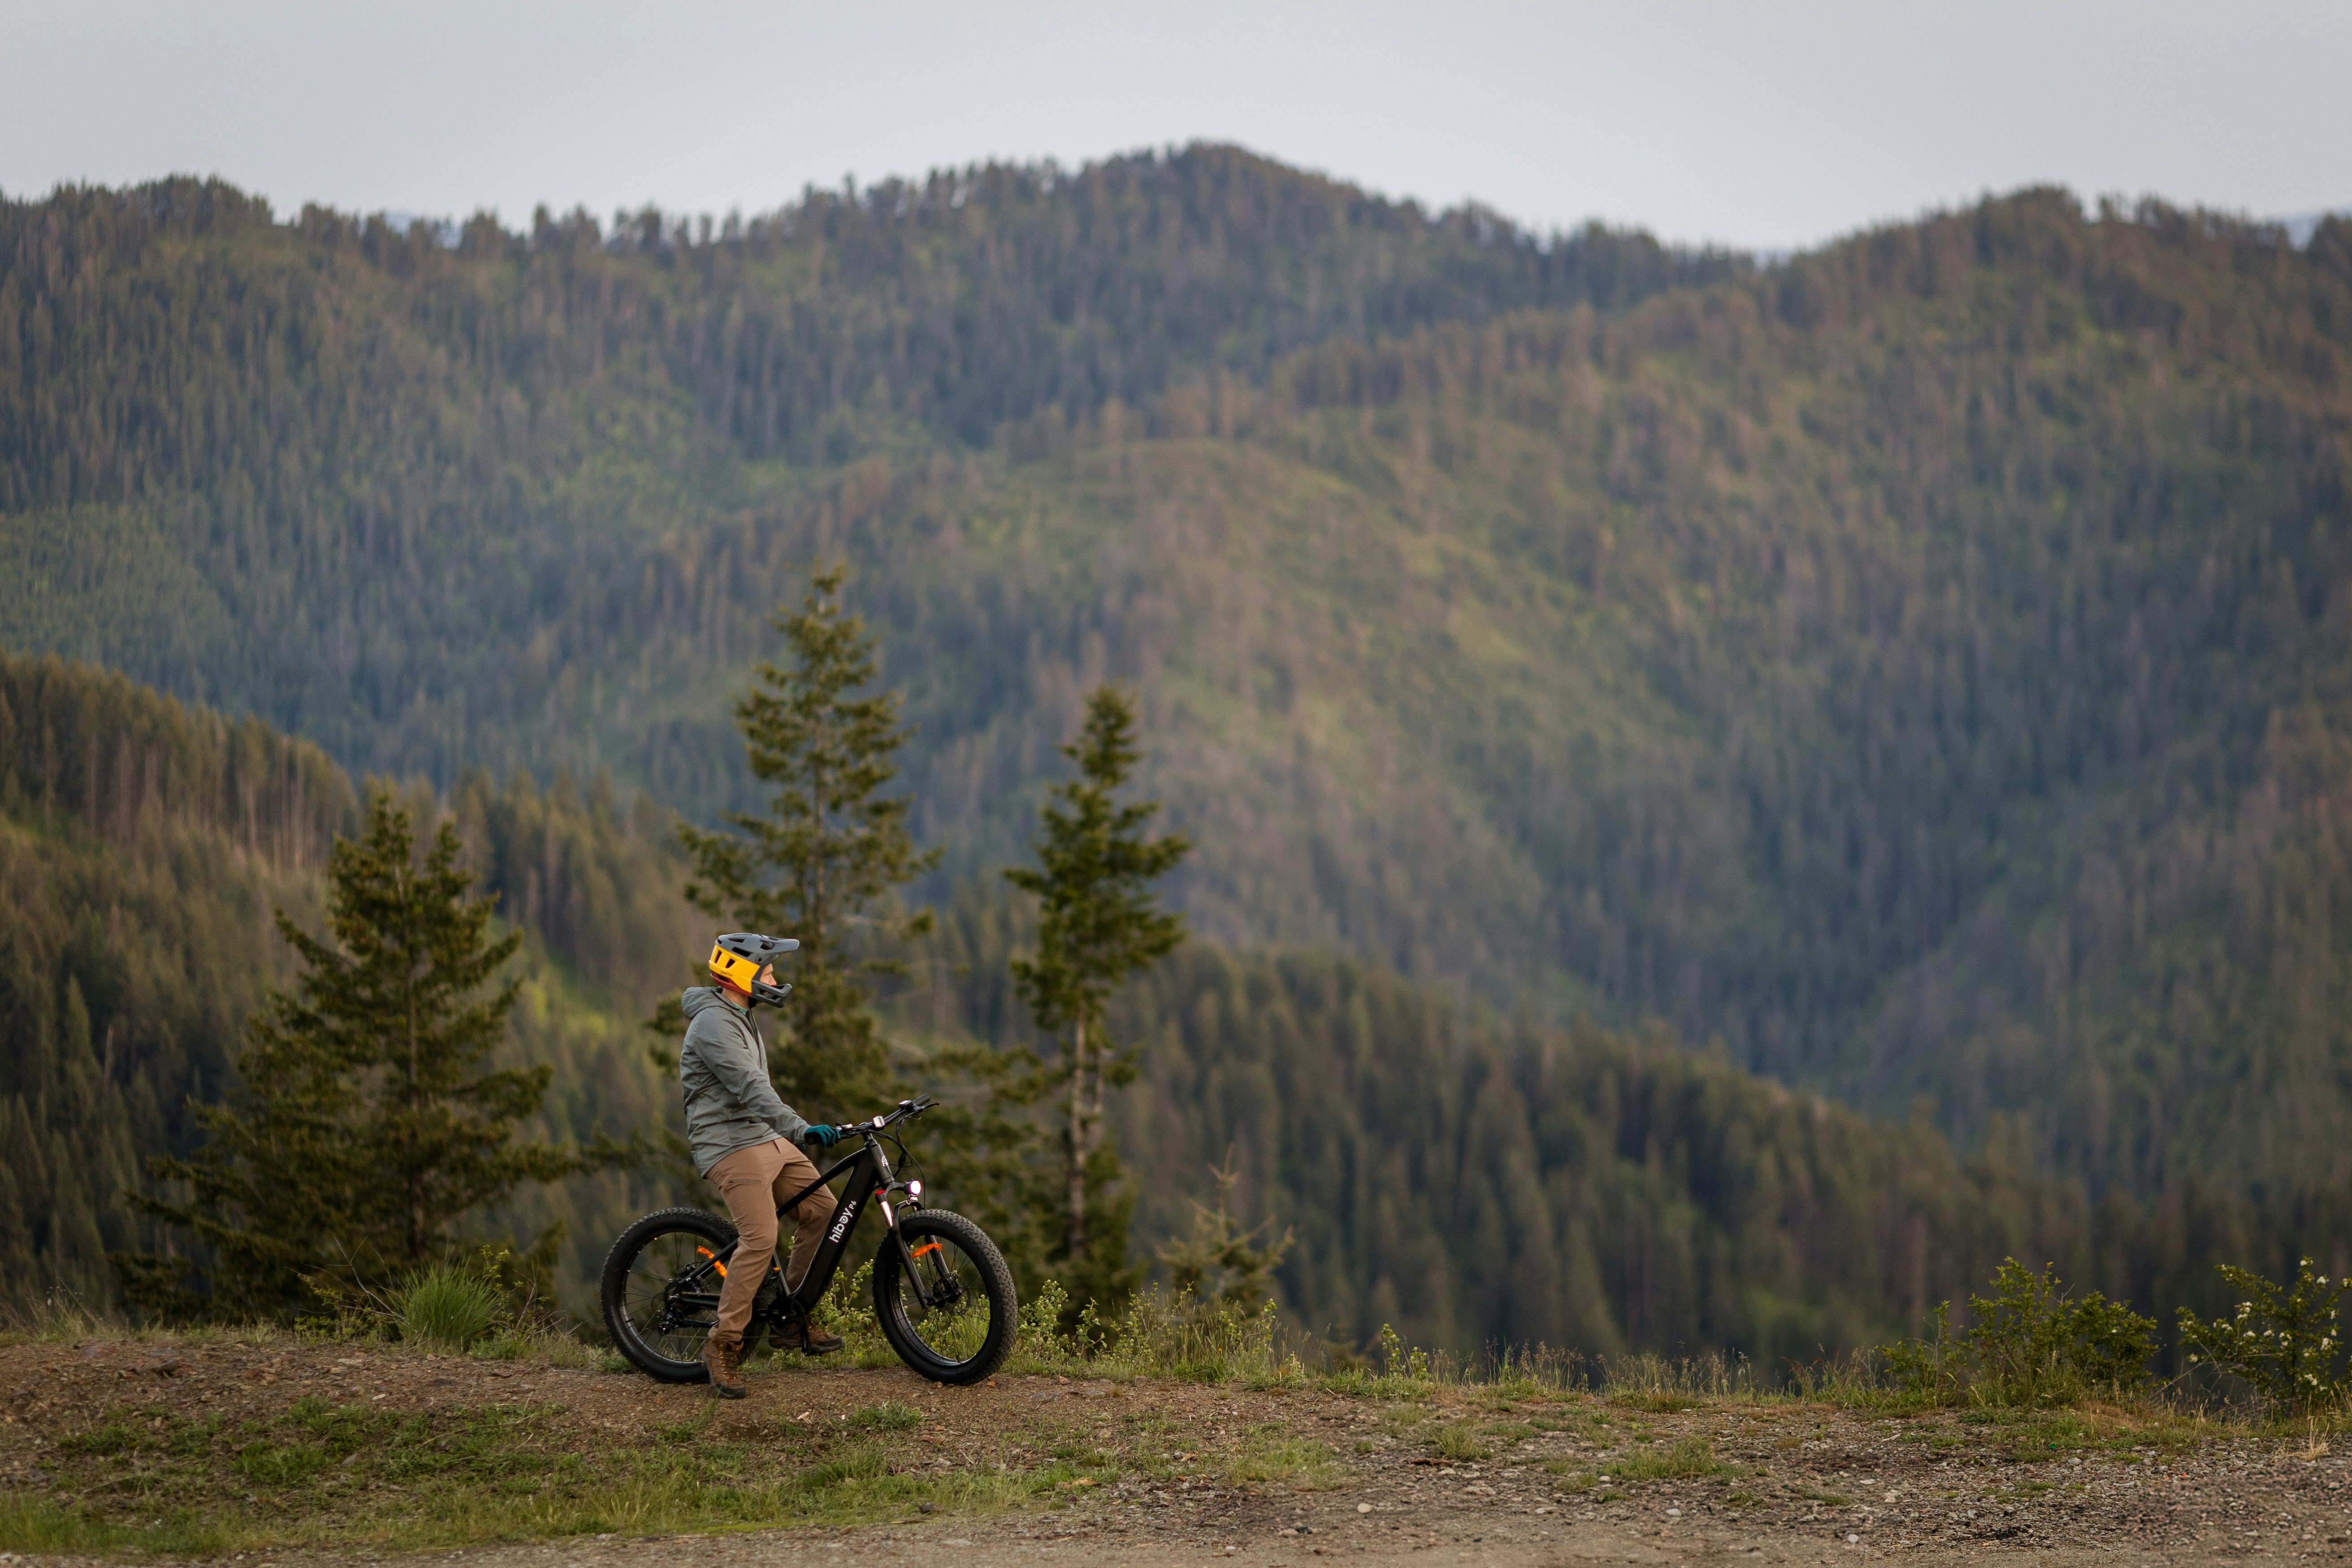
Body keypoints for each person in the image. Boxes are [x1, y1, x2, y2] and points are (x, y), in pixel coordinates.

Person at [679, 931, 845, 1397]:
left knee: (822, 1212)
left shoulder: (741, 1013)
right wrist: (800, 1129)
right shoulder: (713, 1024)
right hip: (728, 1144)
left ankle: (789, 1318)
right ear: (740, 974)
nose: (775, 979)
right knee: (761, 1236)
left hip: (762, 1136)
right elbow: (751, 1087)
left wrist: (791, 1132)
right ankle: (724, 1344)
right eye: (768, 971)